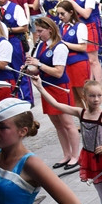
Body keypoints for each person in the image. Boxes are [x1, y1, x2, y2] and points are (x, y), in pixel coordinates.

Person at [24, 17, 79, 168]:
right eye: (37, 31)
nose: (38, 34)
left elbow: (58, 72)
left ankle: (76, 155)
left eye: (41, 31)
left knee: (67, 123)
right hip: (47, 87)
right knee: (57, 124)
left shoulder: (60, 47)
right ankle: (66, 154)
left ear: (50, 29)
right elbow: (37, 69)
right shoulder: (42, 46)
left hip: (59, 87)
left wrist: (39, 64)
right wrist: (29, 67)